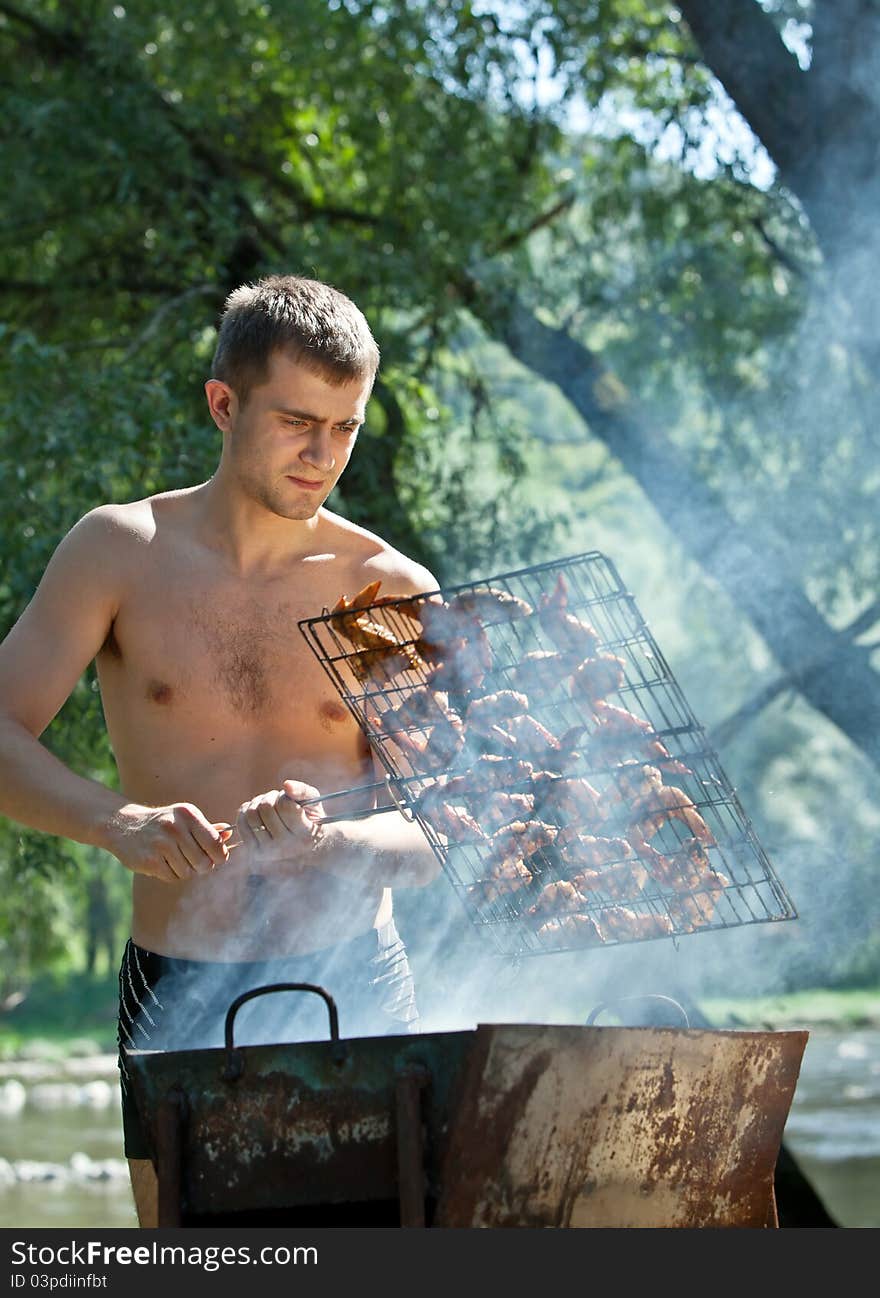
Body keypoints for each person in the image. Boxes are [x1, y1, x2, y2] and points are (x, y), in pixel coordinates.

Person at [0, 274, 442, 1227]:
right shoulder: (120, 551)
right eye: (296, 422)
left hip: (353, 977)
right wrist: (118, 823)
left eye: (346, 428)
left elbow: (454, 820)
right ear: (223, 403)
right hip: (178, 983)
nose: (323, 455)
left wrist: (348, 845)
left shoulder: (384, 589)